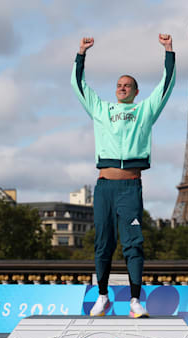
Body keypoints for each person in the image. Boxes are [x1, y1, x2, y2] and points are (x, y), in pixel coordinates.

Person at [71, 34, 175, 318]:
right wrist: (81, 54)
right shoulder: (101, 109)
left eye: (128, 85)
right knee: (103, 242)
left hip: (130, 185)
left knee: (133, 243)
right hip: (104, 186)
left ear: (136, 92)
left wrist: (168, 51)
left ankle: (134, 300)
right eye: (118, 85)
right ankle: (102, 296)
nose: (122, 88)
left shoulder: (145, 111)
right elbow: (79, 85)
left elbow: (166, 86)